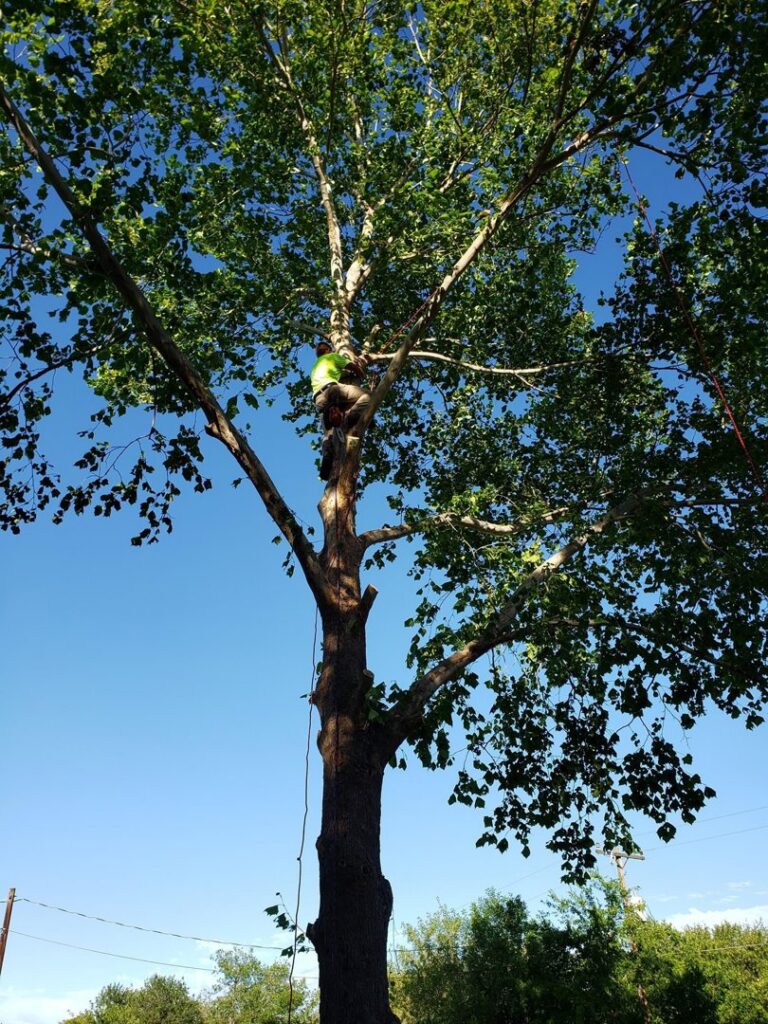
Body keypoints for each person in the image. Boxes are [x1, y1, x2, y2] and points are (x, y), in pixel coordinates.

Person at [310, 340, 371, 479]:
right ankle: (351, 416)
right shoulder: (333, 356)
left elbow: (338, 373)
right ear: (329, 350)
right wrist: (361, 373)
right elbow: (353, 367)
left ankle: (327, 454)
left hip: (318, 400)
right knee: (370, 396)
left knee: (328, 433)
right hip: (333, 390)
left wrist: (344, 373)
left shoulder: (316, 366)